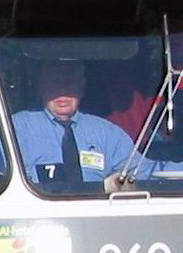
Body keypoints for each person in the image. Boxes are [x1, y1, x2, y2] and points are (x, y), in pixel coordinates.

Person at [9, 59, 147, 195]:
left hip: (97, 212)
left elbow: (142, 171)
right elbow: (5, 181)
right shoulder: (17, 128)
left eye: (70, 82)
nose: (62, 91)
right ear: (41, 86)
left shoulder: (107, 133)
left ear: (82, 88)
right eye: (55, 82)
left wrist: (167, 169)